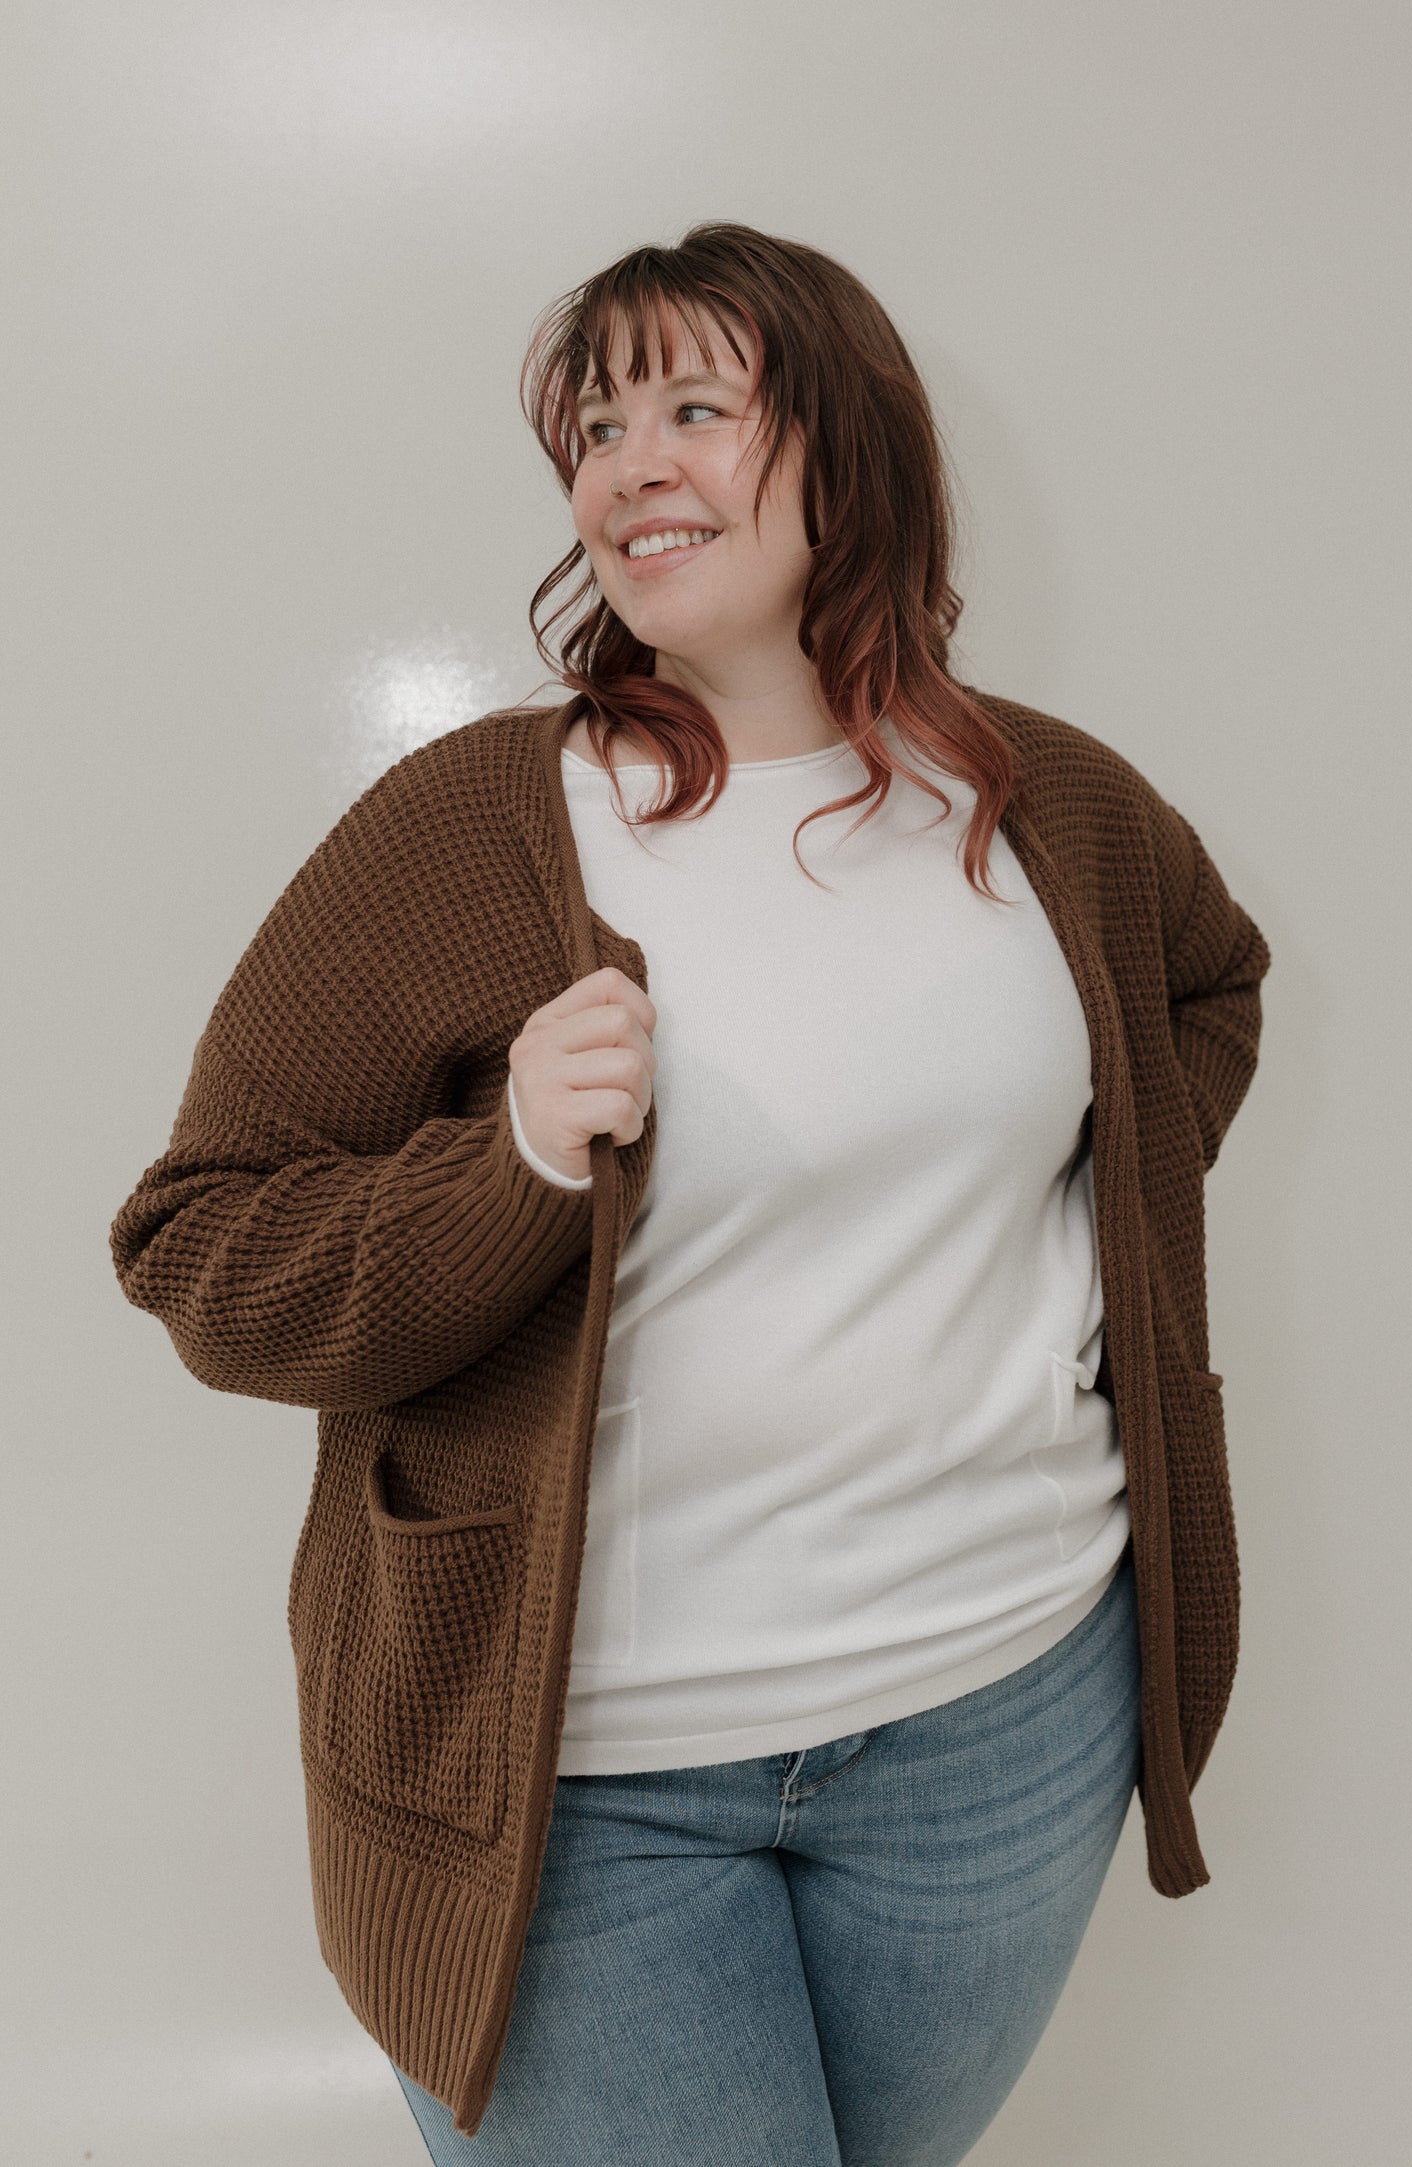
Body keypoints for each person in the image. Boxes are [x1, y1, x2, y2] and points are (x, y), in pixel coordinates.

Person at [109, 222, 1270, 2164]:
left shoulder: (1054, 806)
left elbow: (1205, 1001)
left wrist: (1092, 1252)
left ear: (852, 446)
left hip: (1005, 1717)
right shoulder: (479, 831)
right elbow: (200, 1245)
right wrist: (516, 1166)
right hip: (585, 1784)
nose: (629, 462)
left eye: (694, 408)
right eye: (595, 425)